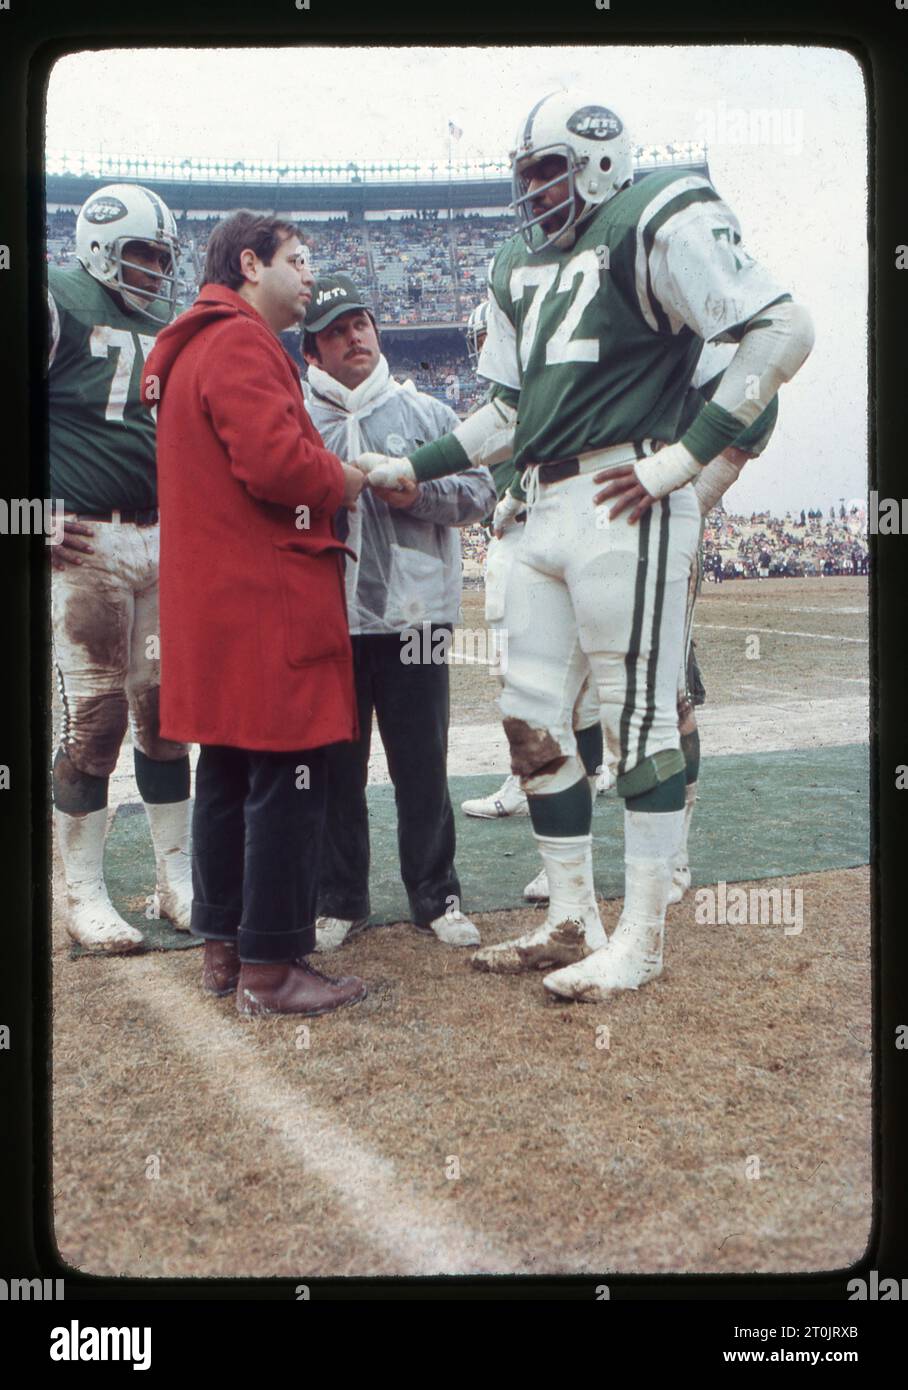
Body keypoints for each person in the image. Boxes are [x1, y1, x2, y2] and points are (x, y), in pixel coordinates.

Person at [355, 89, 813, 1002]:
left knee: (638, 714)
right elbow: (506, 413)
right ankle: (572, 916)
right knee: (530, 716)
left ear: (598, 160)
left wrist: (683, 459)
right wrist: (415, 464)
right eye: (524, 173)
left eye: (544, 171)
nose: (531, 191)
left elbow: (781, 326)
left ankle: (640, 940)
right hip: (539, 501)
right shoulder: (517, 260)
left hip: (622, 488)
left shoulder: (657, 212)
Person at [142, 212, 367, 1017]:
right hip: (268, 598)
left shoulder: (191, 342)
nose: (309, 276)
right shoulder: (241, 343)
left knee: (231, 773)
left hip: (218, 602)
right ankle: (271, 968)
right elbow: (276, 465)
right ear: (250, 263)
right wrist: (344, 478)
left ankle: (225, 948)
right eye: (297, 261)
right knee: (288, 775)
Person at [300, 274, 497, 950]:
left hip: (415, 616)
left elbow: (480, 493)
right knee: (334, 769)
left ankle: (436, 895)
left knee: (421, 763)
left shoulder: (428, 413)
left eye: (360, 323)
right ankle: (340, 898)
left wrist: (417, 496)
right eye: (335, 330)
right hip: (327, 621)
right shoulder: (298, 419)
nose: (353, 336)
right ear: (312, 351)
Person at [49, 183, 194, 953]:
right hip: (86, 542)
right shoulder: (54, 297)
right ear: (101, 246)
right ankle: (84, 894)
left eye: (162, 257)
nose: (153, 270)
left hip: (158, 539)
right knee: (96, 719)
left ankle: (179, 880)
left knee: (168, 717)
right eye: (141, 253)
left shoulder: (165, 322)